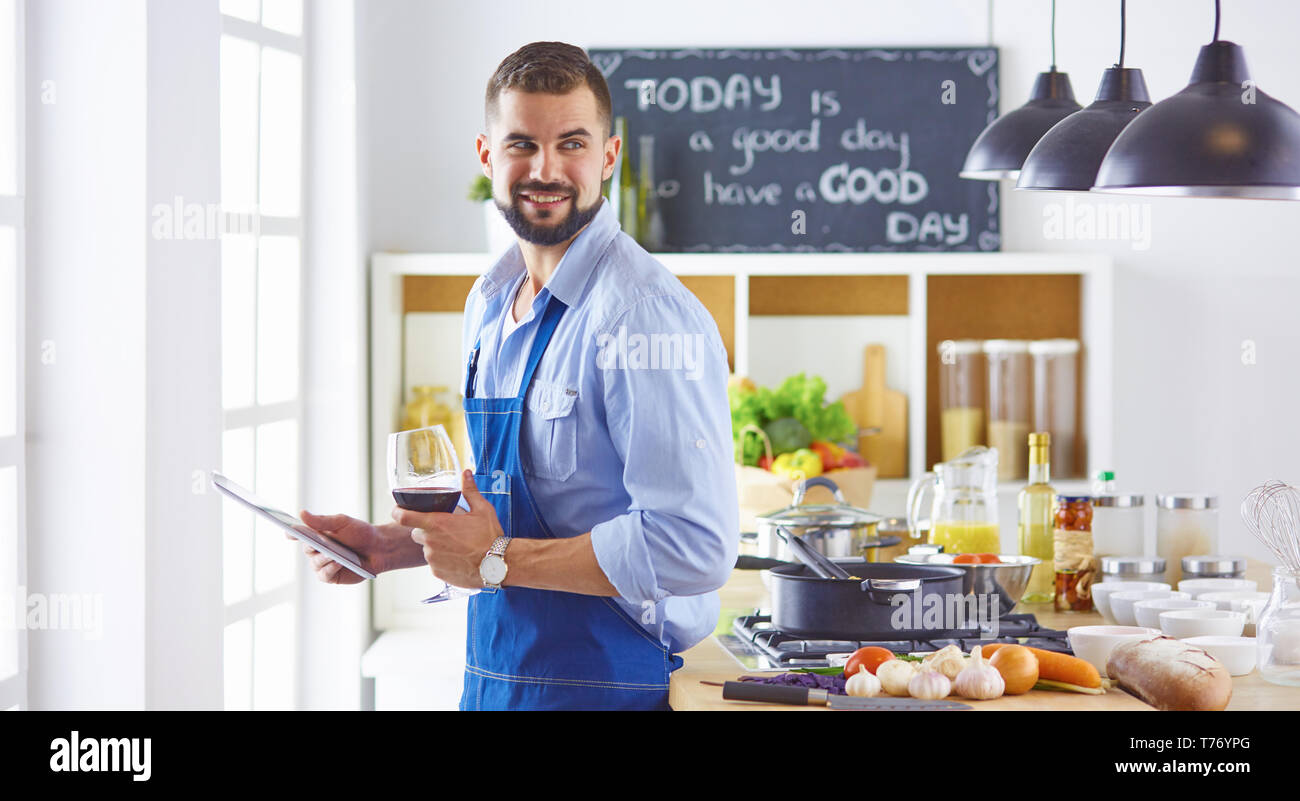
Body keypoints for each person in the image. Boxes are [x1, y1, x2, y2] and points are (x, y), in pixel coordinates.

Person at [297, 41, 738, 710]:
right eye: (521, 144)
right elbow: (514, 514)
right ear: (487, 156)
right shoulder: (488, 300)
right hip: (494, 681)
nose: (545, 168)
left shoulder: (642, 316)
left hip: (605, 690)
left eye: (572, 144)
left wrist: (496, 558)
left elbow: (694, 545)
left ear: (609, 158)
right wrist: (398, 546)